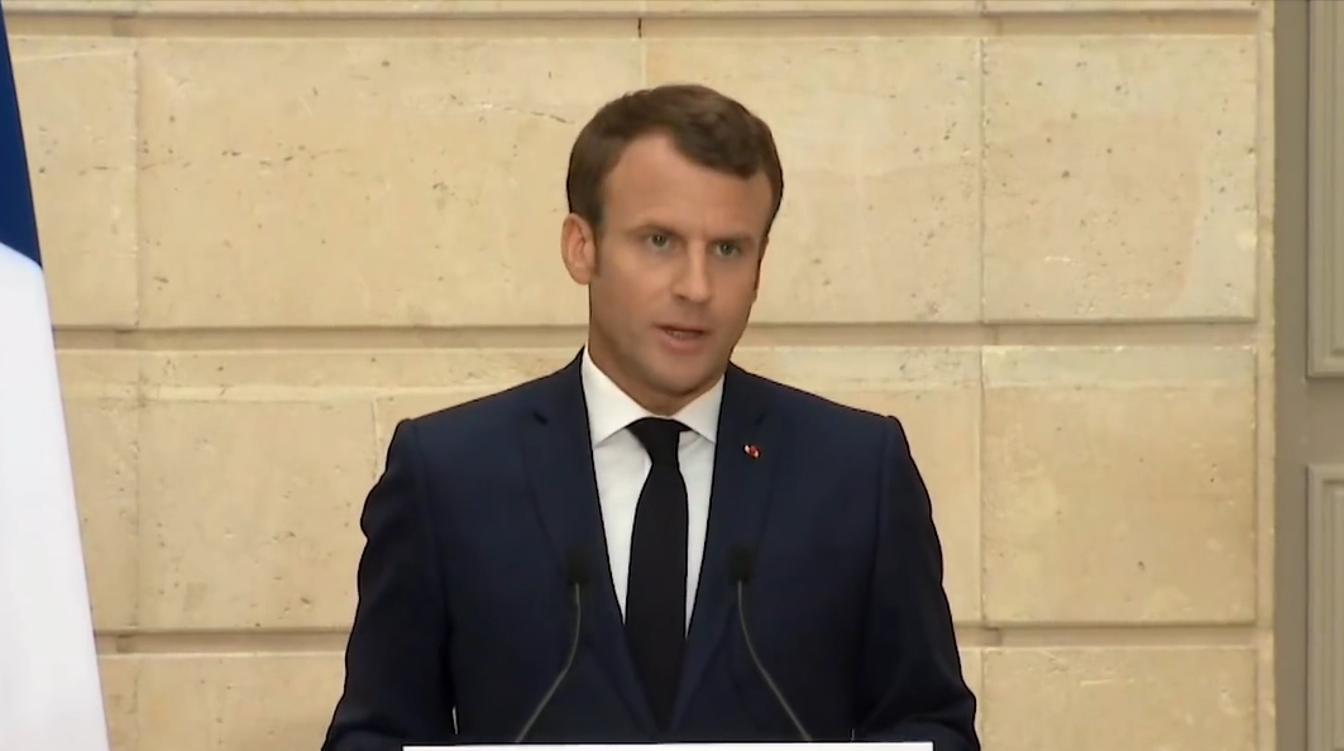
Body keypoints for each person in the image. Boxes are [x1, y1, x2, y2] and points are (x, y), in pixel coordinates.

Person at [322, 83, 978, 750]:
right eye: (660, 241)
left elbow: (933, 726)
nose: (696, 287)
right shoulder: (448, 473)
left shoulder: (857, 471)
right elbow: (374, 734)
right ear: (582, 247)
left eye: (728, 250)